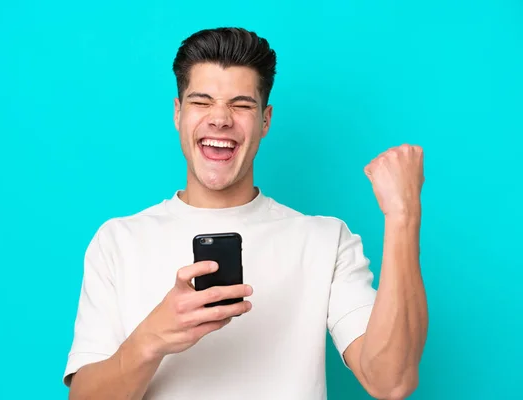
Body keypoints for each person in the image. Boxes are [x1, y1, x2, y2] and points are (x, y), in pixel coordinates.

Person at [62, 27, 428, 400]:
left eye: (241, 104)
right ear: (178, 113)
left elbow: (390, 380)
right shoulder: (118, 241)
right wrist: (149, 340)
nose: (220, 119)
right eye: (201, 102)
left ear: (265, 120)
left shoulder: (325, 240)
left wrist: (404, 217)